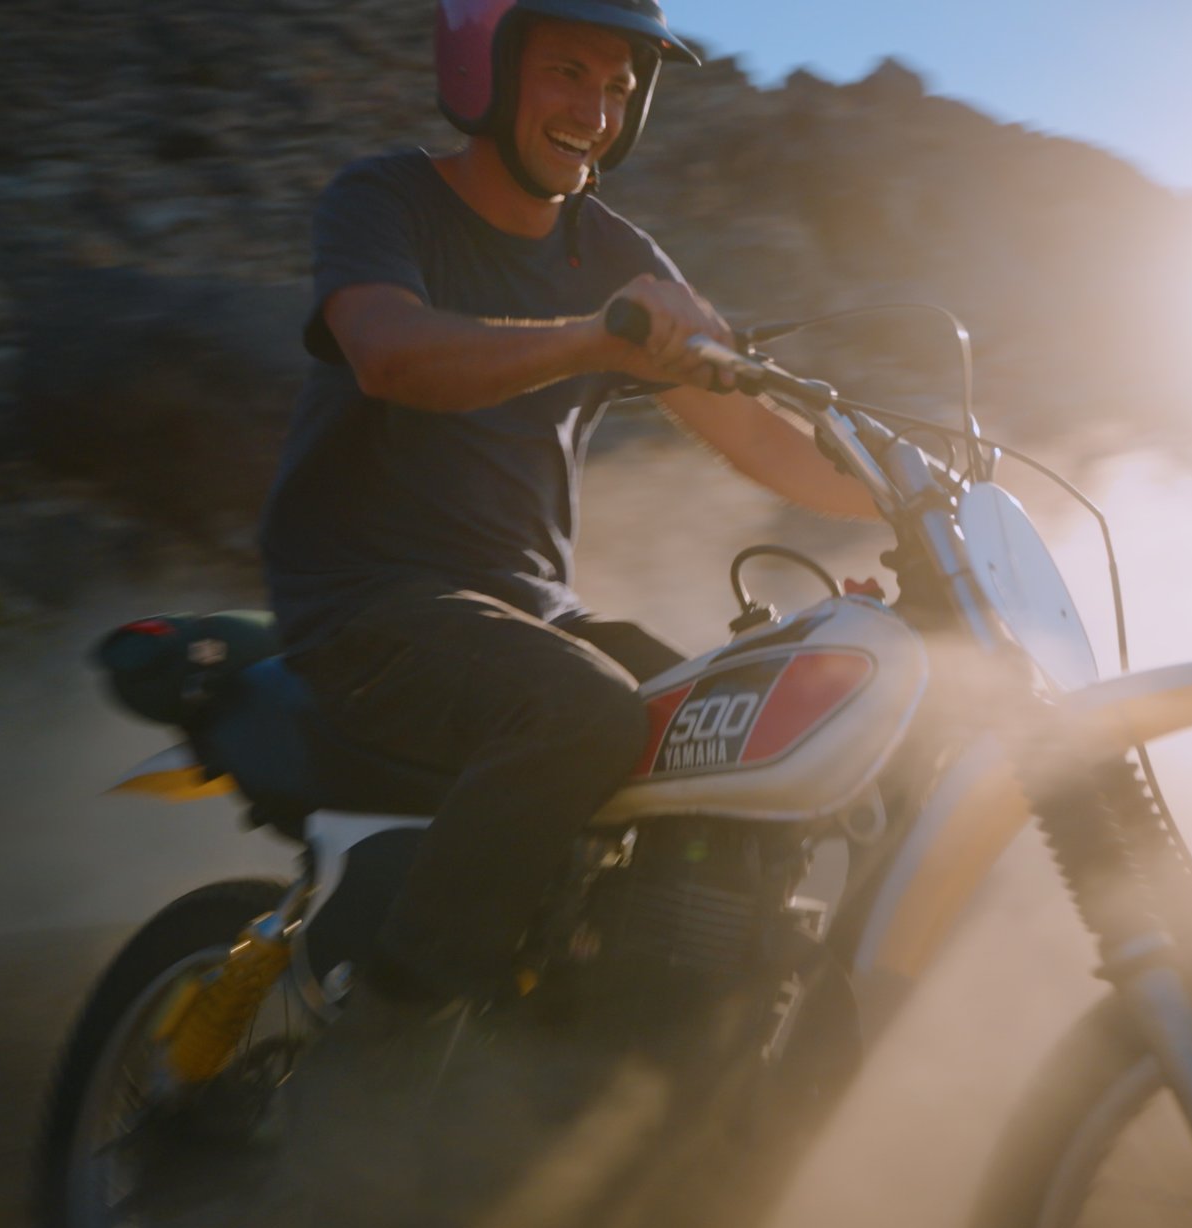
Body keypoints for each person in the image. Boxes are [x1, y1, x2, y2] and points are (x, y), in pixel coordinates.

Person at [259, 0, 876, 1064]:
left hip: (527, 611)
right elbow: (389, 353)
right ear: (485, 65)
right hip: (365, 601)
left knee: (736, 727)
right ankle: (379, 1055)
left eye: (618, 88)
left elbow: (760, 439)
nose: (593, 111)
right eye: (567, 72)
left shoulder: (615, 252)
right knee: (582, 715)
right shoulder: (386, 198)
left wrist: (915, 492)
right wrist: (594, 335)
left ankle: (612, 1039)